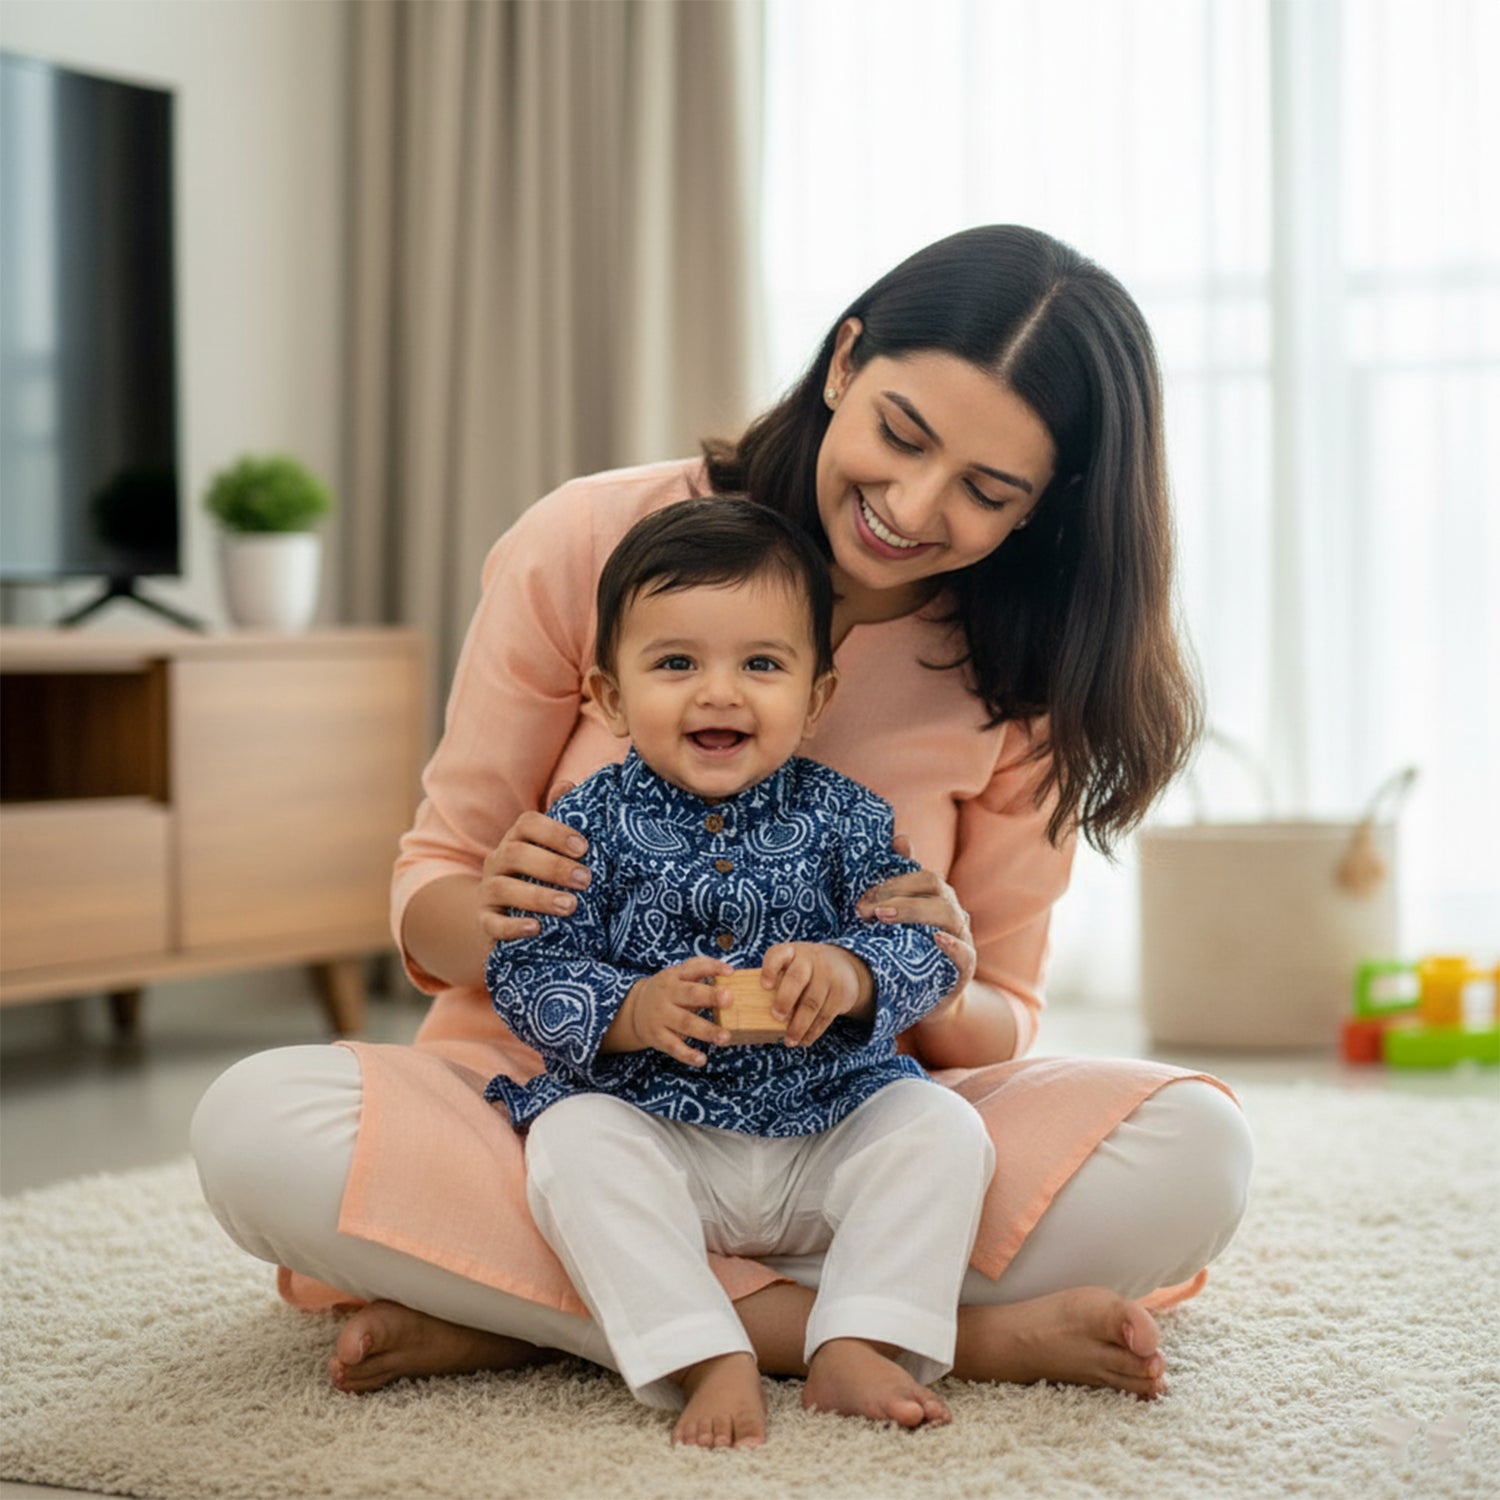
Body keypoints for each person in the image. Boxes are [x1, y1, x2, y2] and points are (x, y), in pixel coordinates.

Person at [191, 224, 1253, 1415]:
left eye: (985, 490)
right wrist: (483, 907)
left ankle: (535, 1311)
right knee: (256, 1126)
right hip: (565, 1101)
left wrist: (926, 976)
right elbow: (437, 895)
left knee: (1194, 1154)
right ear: (846, 360)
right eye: (902, 434)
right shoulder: (591, 542)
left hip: (843, 1127)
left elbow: (1003, 1019)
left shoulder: (1027, 671)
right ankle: (899, 1331)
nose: (910, 505)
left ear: (1042, 507)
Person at [491, 498, 994, 1446]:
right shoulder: (581, 827)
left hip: (829, 1125)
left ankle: (858, 1340)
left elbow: (929, 946)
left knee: (941, 1127)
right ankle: (705, 1351)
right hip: (661, 1130)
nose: (719, 693)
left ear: (815, 697)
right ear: (607, 698)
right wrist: (629, 1009)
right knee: (568, 1141)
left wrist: (852, 973)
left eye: (761, 664)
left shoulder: (850, 819)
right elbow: (525, 969)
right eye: (676, 663)